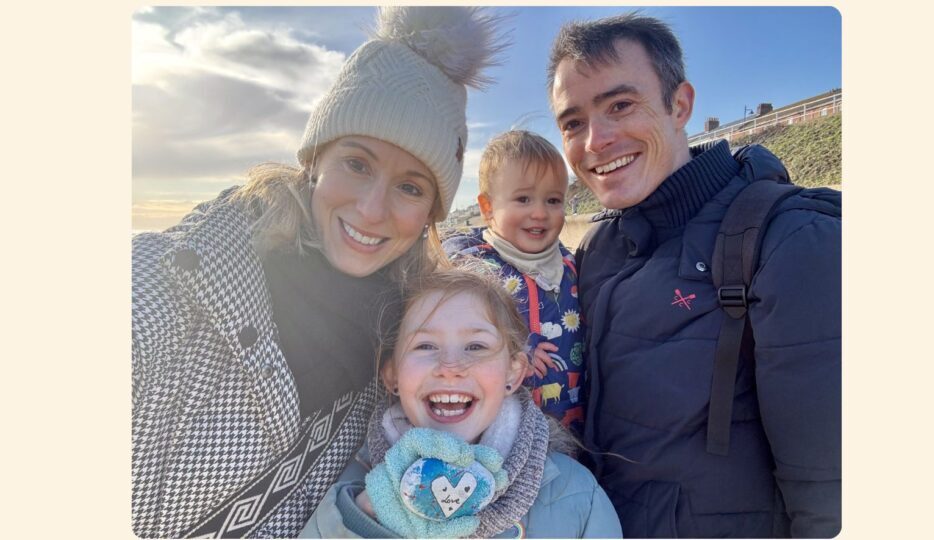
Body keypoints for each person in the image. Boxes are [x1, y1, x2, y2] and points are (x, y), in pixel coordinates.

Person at [131, 7, 507, 537]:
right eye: (357, 164)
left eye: (410, 186)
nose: (372, 210)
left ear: (430, 214)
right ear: (315, 159)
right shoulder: (161, 281)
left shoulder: (406, 355)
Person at [547, 12, 841, 538]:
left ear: (680, 105)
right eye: (572, 123)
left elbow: (833, 492)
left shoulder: (790, 240)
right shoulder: (596, 249)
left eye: (620, 105)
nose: (595, 140)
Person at [299, 268, 622, 538]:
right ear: (392, 375)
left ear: (513, 372)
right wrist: (365, 518)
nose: (450, 367)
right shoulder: (347, 487)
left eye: (476, 346)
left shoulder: (576, 494)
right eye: (425, 345)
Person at [442, 130, 585, 436]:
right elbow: (452, 343)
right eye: (523, 199)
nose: (540, 212)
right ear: (487, 207)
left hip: (570, 425)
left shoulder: (573, 266)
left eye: (553, 200)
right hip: (499, 433)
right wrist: (513, 352)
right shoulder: (472, 271)